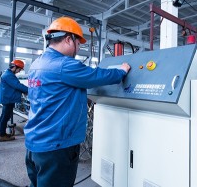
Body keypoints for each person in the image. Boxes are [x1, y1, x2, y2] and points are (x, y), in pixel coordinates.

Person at [24, 16, 130, 187]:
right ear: (68, 39)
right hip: (57, 146)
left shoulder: (37, 63)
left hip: (34, 143)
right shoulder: (64, 65)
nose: (78, 49)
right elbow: (97, 76)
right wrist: (122, 71)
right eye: (78, 44)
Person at [0, 59, 28, 142]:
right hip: (8, 98)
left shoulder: (7, 74)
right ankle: (2, 135)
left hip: (7, 98)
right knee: (5, 117)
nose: (19, 71)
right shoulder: (9, 75)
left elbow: (15, 85)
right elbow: (17, 85)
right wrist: (30, 90)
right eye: (19, 69)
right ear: (15, 67)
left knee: (4, 116)